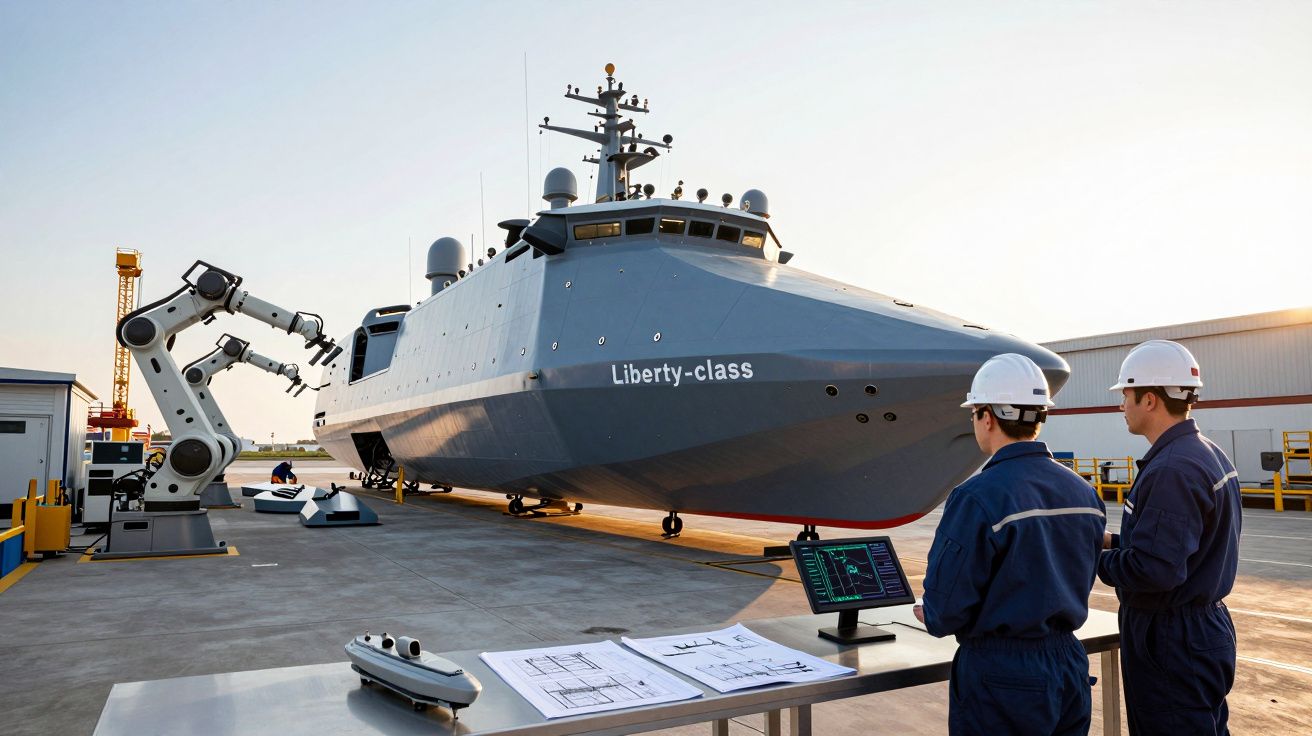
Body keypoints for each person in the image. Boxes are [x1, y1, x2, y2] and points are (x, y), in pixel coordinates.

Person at [917, 353, 1106, 735]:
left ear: (987, 416)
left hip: (1002, 677)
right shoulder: (1083, 492)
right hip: (1069, 663)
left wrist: (931, 613)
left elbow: (947, 608)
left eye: (973, 413)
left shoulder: (977, 496)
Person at [1098, 339, 1241, 734]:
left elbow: (1154, 570)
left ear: (1149, 399)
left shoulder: (1171, 470)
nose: (1121, 404)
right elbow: (1179, 546)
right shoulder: (1206, 453)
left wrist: (1093, 558)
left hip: (1171, 639)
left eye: (1125, 394)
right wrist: (1110, 541)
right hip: (1201, 627)